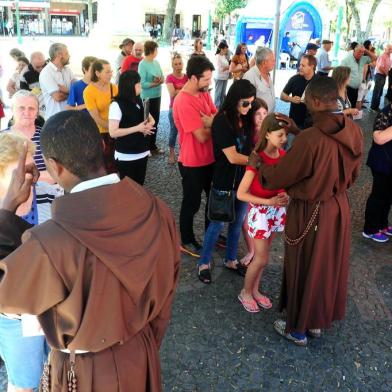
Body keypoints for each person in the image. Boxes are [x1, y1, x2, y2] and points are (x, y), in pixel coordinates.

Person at [0, 110, 180, 391]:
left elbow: (6, 291)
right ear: (103, 146)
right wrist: (143, 345)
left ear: (54, 167)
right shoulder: (158, 210)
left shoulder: (50, 242)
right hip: (140, 351)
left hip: (84, 372)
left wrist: (7, 209)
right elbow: (167, 291)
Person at [248, 77, 363, 346]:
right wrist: (299, 132)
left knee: (305, 265)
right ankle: (316, 322)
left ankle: (297, 328)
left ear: (314, 101)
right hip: (338, 208)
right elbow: (332, 152)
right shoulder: (353, 130)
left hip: (311, 211)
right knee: (326, 265)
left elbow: (283, 174)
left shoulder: (311, 140)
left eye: (307, 101)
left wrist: (258, 164)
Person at [0, 133, 50, 392]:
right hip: (15, 323)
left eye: (32, 172)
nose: (28, 181)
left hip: (40, 318)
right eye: (20, 174)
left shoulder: (29, 211)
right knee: (24, 384)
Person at [197, 79, 256, 283]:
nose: (249, 107)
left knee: (237, 222)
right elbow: (232, 157)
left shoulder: (246, 119)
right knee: (216, 224)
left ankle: (231, 259)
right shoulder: (222, 121)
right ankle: (203, 263)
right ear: (234, 101)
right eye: (245, 103)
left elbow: (250, 147)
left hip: (244, 180)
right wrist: (258, 162)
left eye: (251, 103)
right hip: (224, 180)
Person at [237, 114, 288, 312]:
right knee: (261, 258)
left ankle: (255, 290)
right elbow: (242, 194)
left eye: (285, 135)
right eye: (280, 135)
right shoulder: (257, 158)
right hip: (261, 212)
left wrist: (285, 195)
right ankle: (246, 292)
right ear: (267, 135)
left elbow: (283, 184)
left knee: (263, 256)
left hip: (275, 210)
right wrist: (269, 201)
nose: (284, 139)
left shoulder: (282, 155)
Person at [173, 55, 216, 257]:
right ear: (192, 78)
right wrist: (211, 124)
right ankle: (186, 239)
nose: (209, 83)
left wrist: (210, 121)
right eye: (206, 79)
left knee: (213, 200)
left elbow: (218, 115)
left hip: (210, 159)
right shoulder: (183, 101)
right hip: (192, 162)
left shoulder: (203, 93)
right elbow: (200, 136)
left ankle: (211, 235)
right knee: (192, 203)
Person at [108, 70, 155, 185]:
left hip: (142, 151)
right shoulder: (116, 105)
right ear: (130, 86)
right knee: (129, 191)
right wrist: (137, 128)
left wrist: (149, 124)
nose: (141, 86)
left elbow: (151, 119)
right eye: (138, 84)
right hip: (126, 155)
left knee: (140, 186)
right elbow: (113, 132)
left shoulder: (138, 99)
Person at [240, 98, 269, 266]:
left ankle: (256, 252)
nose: (262, 117)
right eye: (258, 114)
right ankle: (252, 251)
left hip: (261, 182)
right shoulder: (247, 132)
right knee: (246, 220)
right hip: (249, 179)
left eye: (265, 113)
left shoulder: (268, 132)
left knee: (255, 219)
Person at [362, 103, 392, 242]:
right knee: (378, 195)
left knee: (388, 196)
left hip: (389, 162)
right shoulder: (385, 113)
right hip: (382, 162)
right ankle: (370, 229)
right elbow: (379, 138)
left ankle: (382, 225)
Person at [83, 59, 118, 172]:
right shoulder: (89, 91)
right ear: (97, 73)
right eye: (107, 72)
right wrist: (113, 128)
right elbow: (96, 118)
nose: (111, 74)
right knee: (106, 163)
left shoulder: (114, 87)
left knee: (118, 161)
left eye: (111, 71)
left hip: (116, 131)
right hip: (102, 133)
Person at [139, 41, 164, 154]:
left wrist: (161, 80)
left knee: (156, 121)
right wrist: (154, 84)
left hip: (157, 95)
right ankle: (145, 147)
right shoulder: (142, 64)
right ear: (152, 50)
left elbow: (162, 75)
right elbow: (142, 84)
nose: (157, 52)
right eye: (156, 49)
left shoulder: (157, 62)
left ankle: (152, 146)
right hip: (147, 97)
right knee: (146, 122)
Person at [280, 54, 318, 129]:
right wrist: (291, 99)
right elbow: (282, 95)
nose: (300, 67)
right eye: (300, 65)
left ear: (312, 66)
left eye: (303, 66)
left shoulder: (319, 81)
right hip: (295, 122)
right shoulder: (294, 79)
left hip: (313, 123)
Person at [39, 43, 74, 120]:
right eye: (66, 53)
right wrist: (72, 94)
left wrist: (67, 91)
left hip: (70, 117)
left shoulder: (68, 70)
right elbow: (58, 97)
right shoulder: (46, 72)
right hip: (55, 120)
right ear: (59, 55)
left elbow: (78, 89)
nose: (69, 56)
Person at [166, 53, 188, 164]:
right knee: (173, 131)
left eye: (180, 63)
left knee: (185, 131)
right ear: (172, 65)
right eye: (176, 64)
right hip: (173, 108)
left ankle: (183, 152)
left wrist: (179, 90)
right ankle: (171, 154)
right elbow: (172, 93)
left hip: (186, 108)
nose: (178, 66)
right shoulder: (169, 77)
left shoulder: (187, 76)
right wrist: (185, 89)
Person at [340, 44, 377, 108]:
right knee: (346, 107)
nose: (361, 53)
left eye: (362, 52)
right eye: (359, 51)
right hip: (347, 89)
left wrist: (366, 51)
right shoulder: (346, 60)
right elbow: (341, 75)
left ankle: (352, 117)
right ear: (354, 51)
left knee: (353, 105)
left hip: (356, 88)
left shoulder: (363, 59)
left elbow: (375, 58)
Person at [243, 47, 276, 113]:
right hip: (257, 119)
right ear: (264, 63)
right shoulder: (250, 76)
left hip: (267, 116)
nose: (275, 63)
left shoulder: (267, 73)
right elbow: (245, 103)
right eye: (273, 60)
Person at [370, 44, 392, 112]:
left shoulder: (388, 56)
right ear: (385, 49)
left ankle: (376, 107)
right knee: (377, 92)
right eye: (389, 49)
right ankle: (373, 108)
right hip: (380, 75)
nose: (391, 50)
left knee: (380, 92)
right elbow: (380, 67)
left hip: (383, 76)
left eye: (391, 49)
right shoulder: (383, 56)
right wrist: (386, 73)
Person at [214, 41, 230, 109]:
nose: (226, 50)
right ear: (221, 49)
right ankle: (216, 108)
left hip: (225, 77)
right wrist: (228, 67)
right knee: (218, 94)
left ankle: (221, 107)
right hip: (219, 77)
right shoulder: (217, 57)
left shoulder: (223, 56)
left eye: (226, 49)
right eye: (225, 49)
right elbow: (219, 69)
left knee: (223, 94)